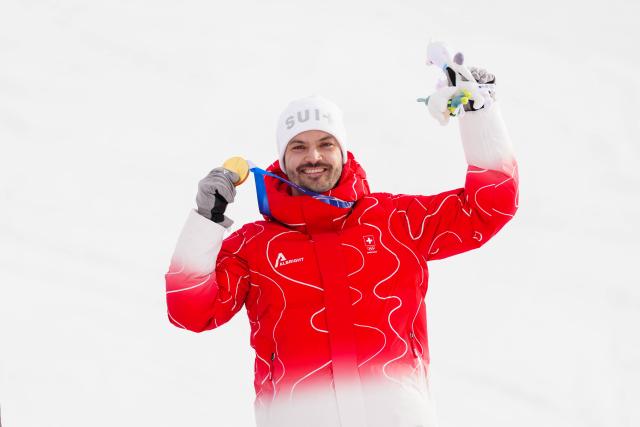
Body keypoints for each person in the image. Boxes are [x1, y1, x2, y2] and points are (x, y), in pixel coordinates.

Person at [165, 65, 518, 427]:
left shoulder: (395, 221)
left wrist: (481, 114)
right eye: (299, 146)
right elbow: (189, 311)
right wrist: (206, 220)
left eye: (325, 144)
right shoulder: (254, 247)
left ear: (343, 151)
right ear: (282, 160)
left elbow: (488, 208)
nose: (313, 157)